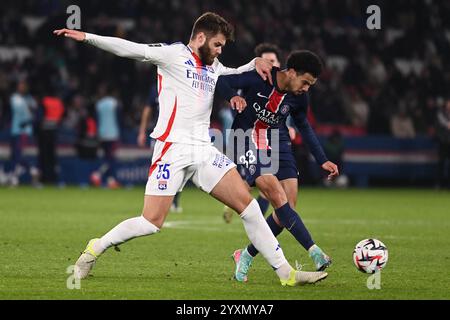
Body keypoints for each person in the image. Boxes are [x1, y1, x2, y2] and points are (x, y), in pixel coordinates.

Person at [54, 12, 327, 286]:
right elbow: (131, 49)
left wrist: (254, 61)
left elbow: (234, 74)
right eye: (218, 44)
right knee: (151, 222)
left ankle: (286, 274)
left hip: (203, 150)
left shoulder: (214, 66)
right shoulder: (172, 54)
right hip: (172, 149)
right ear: (200, 37)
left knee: (250, 208)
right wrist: (87, 37)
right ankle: (96, 247)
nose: (220, 51)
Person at [216, 50, 338, 282]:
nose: (306, 88)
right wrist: (232, 96)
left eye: (310, 85)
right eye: (305, 82)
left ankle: (246, 254)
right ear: (291, 72)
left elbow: (304, 126)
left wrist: (322, 159)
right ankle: (314, 251)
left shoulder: (300, 97)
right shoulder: (259, 77)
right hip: (245, 140)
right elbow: (222, 80)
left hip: (276, 142)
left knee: (287, 209)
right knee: (275, 194)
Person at [222, 43, 287, 223]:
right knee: (255, 182)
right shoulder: (251, 82)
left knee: (264, 183)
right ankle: (239, 207)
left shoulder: (283, 87)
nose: (270, 65)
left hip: (270, 139)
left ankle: (253, 218)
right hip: (247, 138)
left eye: (273, 61)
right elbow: (238, 109)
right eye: (266, 61)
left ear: (279, 63)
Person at [138, 83, 182, 212]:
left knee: (177, 167)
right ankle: (155, 201)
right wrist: (142, 131)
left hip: (178, 134)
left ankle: (174, 201)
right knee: (159, 168)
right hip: (160, 135)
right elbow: (147, 110)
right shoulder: (156, 87)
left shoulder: (180, 83)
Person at [7, 80, 39, 186]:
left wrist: (30, 117)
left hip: (25, 132)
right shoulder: (15, 98)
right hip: (16, 130)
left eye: (23, 86)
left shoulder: (29, 99)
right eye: (20, 86)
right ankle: (32, 171)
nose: (22, 88)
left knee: (18, 154)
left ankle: (15, 177)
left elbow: (35, 111)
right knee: (15, 155)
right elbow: (21, 110)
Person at [90, 84, 121, 189]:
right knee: (110, 159)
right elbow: (118, 118)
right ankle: (97, 174)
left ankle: (111, 181)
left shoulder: (98, 104)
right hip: (112, 134)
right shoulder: (114, 103)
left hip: (102, 134)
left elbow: (96, 120)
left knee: (107, 157)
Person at [435, 98, 450, 189]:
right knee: (441, 163)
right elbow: (445, 124)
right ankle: (438, 184)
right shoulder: (441, 113)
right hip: (443, 142)